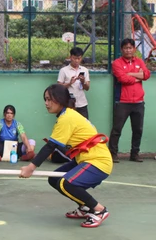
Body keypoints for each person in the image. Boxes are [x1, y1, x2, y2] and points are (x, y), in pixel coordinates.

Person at [20, 84, 112, 228]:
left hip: (98, 162)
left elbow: (51, 146)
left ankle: (99, 210)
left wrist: (31, 167)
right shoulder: (67, 115)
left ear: (60, 99)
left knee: (65, 183)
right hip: (85, 160)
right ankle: (85, 207)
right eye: (45, 99)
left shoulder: (66, 118)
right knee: (54, 178)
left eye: (49, 99)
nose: (46, 103)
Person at [109, 38, 151, 163]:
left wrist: (130, 74)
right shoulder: (116, 63)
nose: (128, 50)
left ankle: (135, 154)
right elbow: (122, 79)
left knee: (138, 130)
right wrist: (138, 76)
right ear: (122, 49)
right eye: (125, 48)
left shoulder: (139, 61)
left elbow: (147, 75)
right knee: (117, 129)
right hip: (122, 102)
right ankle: (113, 154)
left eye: (130, 48)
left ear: (134, 49)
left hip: (138, 102)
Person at [57, 47, 90, 119]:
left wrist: (83, 81)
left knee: (84, 126)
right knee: (68, 125)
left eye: (79, 58)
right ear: (70, 57)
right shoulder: (63, 70)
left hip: (82, 103)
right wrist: (69, 83)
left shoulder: (85, 70)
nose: (77, 61)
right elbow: (58, 88)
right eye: (75, 58)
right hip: (68, 104)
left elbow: (87, 88)